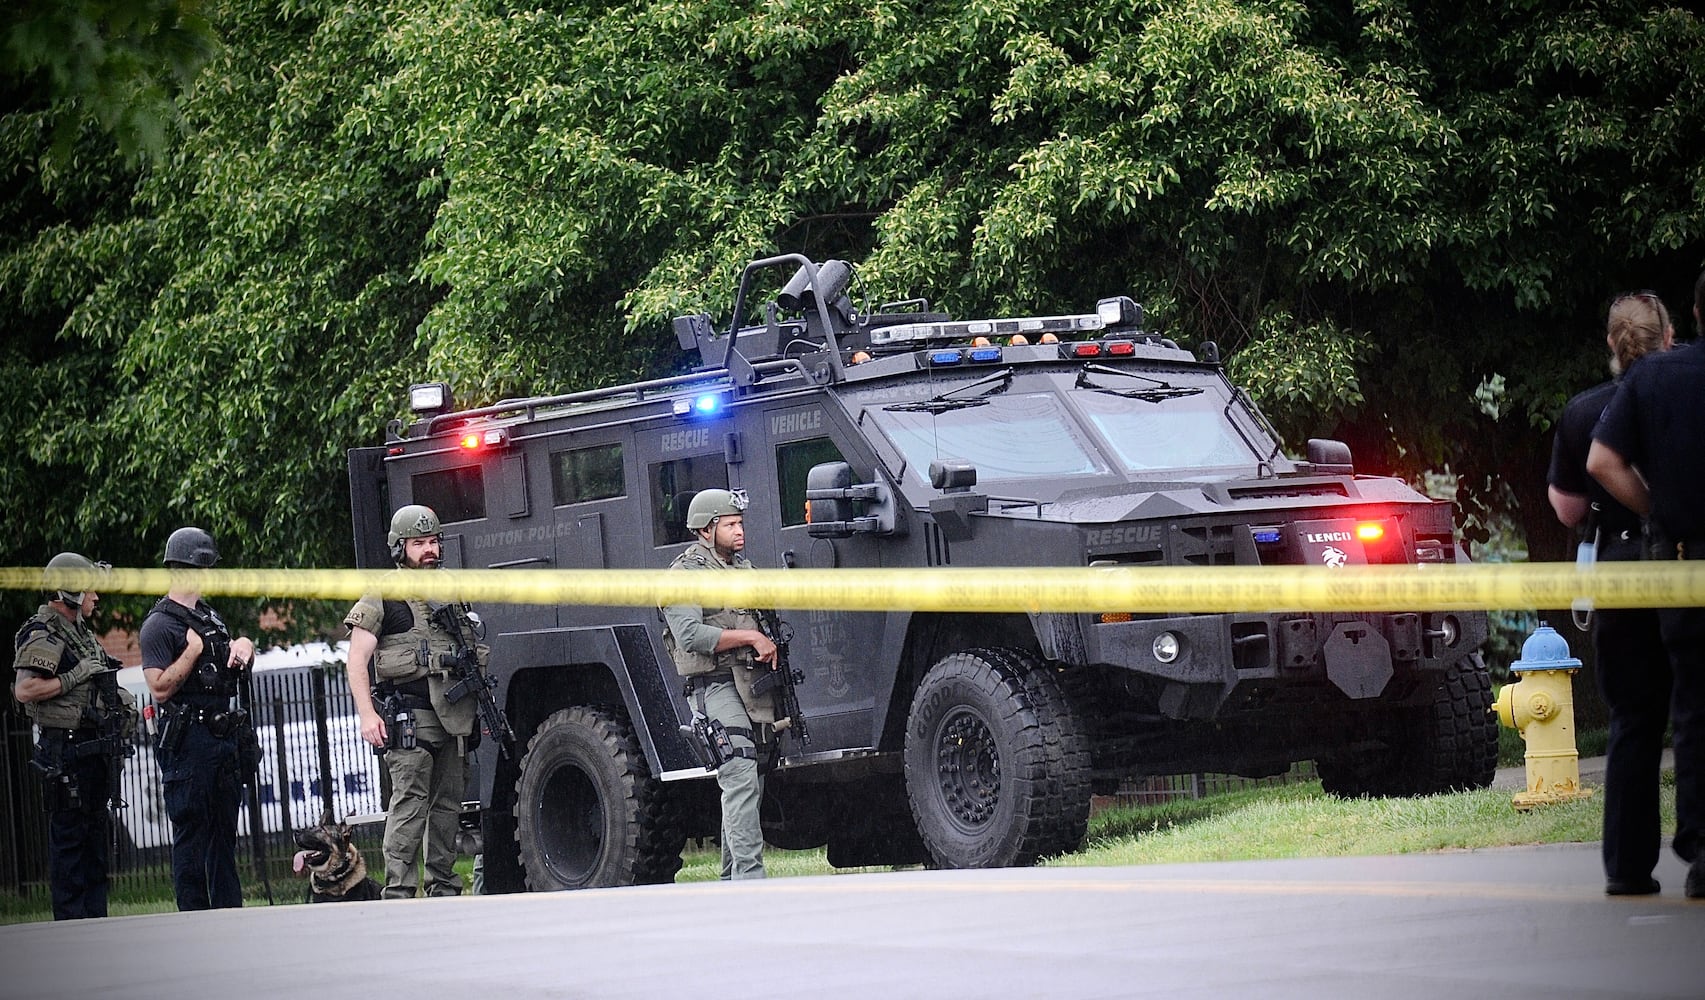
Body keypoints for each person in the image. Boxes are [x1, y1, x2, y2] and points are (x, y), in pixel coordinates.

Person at [1547, 291, 1673, 895]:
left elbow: (1566, 507)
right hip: (1680, 567)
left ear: (1611, 345)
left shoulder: (1583, 411)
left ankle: (1627, 865)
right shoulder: (1682, 396)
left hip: (1619, 574)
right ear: (1668, 337)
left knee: (1632, 720)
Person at [1588, 271, 1705, 900]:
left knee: (1664, 714)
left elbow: (1574, 492)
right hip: (1667, 564)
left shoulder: (1619, 396)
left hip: (1662, 569)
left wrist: (1659, 508)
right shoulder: (1666, 372)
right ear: (1669, 330)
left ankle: (1650, 861)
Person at [345, 504, 486, 898]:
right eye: (418, 543)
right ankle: (400, 890)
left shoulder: (452, 594)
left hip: (454, 718)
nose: (429, 550)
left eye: (433, 541)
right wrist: (367, 715)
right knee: (409, 804)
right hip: (410, 718)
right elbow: (356, 662)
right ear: (400, 547)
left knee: (448, 808)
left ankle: (442, 885)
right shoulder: (384, 596)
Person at [660, 488, 782, 880]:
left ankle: (733, 879)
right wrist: (750, 639)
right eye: (730, 525)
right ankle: (750, 877)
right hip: (714, 685)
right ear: (706, 529)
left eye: (740, 523)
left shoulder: (743, 571)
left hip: (752, 684)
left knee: (753, 780)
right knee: (740, 773)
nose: (739, 531)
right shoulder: (683, 575)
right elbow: (691, 636)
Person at [11, 552, 135, 919]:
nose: (96, 598)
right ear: (69, 591)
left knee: (95, 848)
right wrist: (73, 675)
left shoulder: (80, 634)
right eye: (89, 590)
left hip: (92, 754)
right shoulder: (42, 632)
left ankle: (95, 926)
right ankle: (71, 930)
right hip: (65, 754)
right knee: (70, 849)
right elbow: (25, 690)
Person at [140, 526, 257, 910]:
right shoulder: (161, 624)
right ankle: (194, 914)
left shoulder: (210, 616)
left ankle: (228, 911)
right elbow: (158, 688)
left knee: (224, 833)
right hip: (189, 743)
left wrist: (243, 647)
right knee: (192, 832)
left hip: (222, 738)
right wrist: (191, 653)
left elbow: (227, 664)